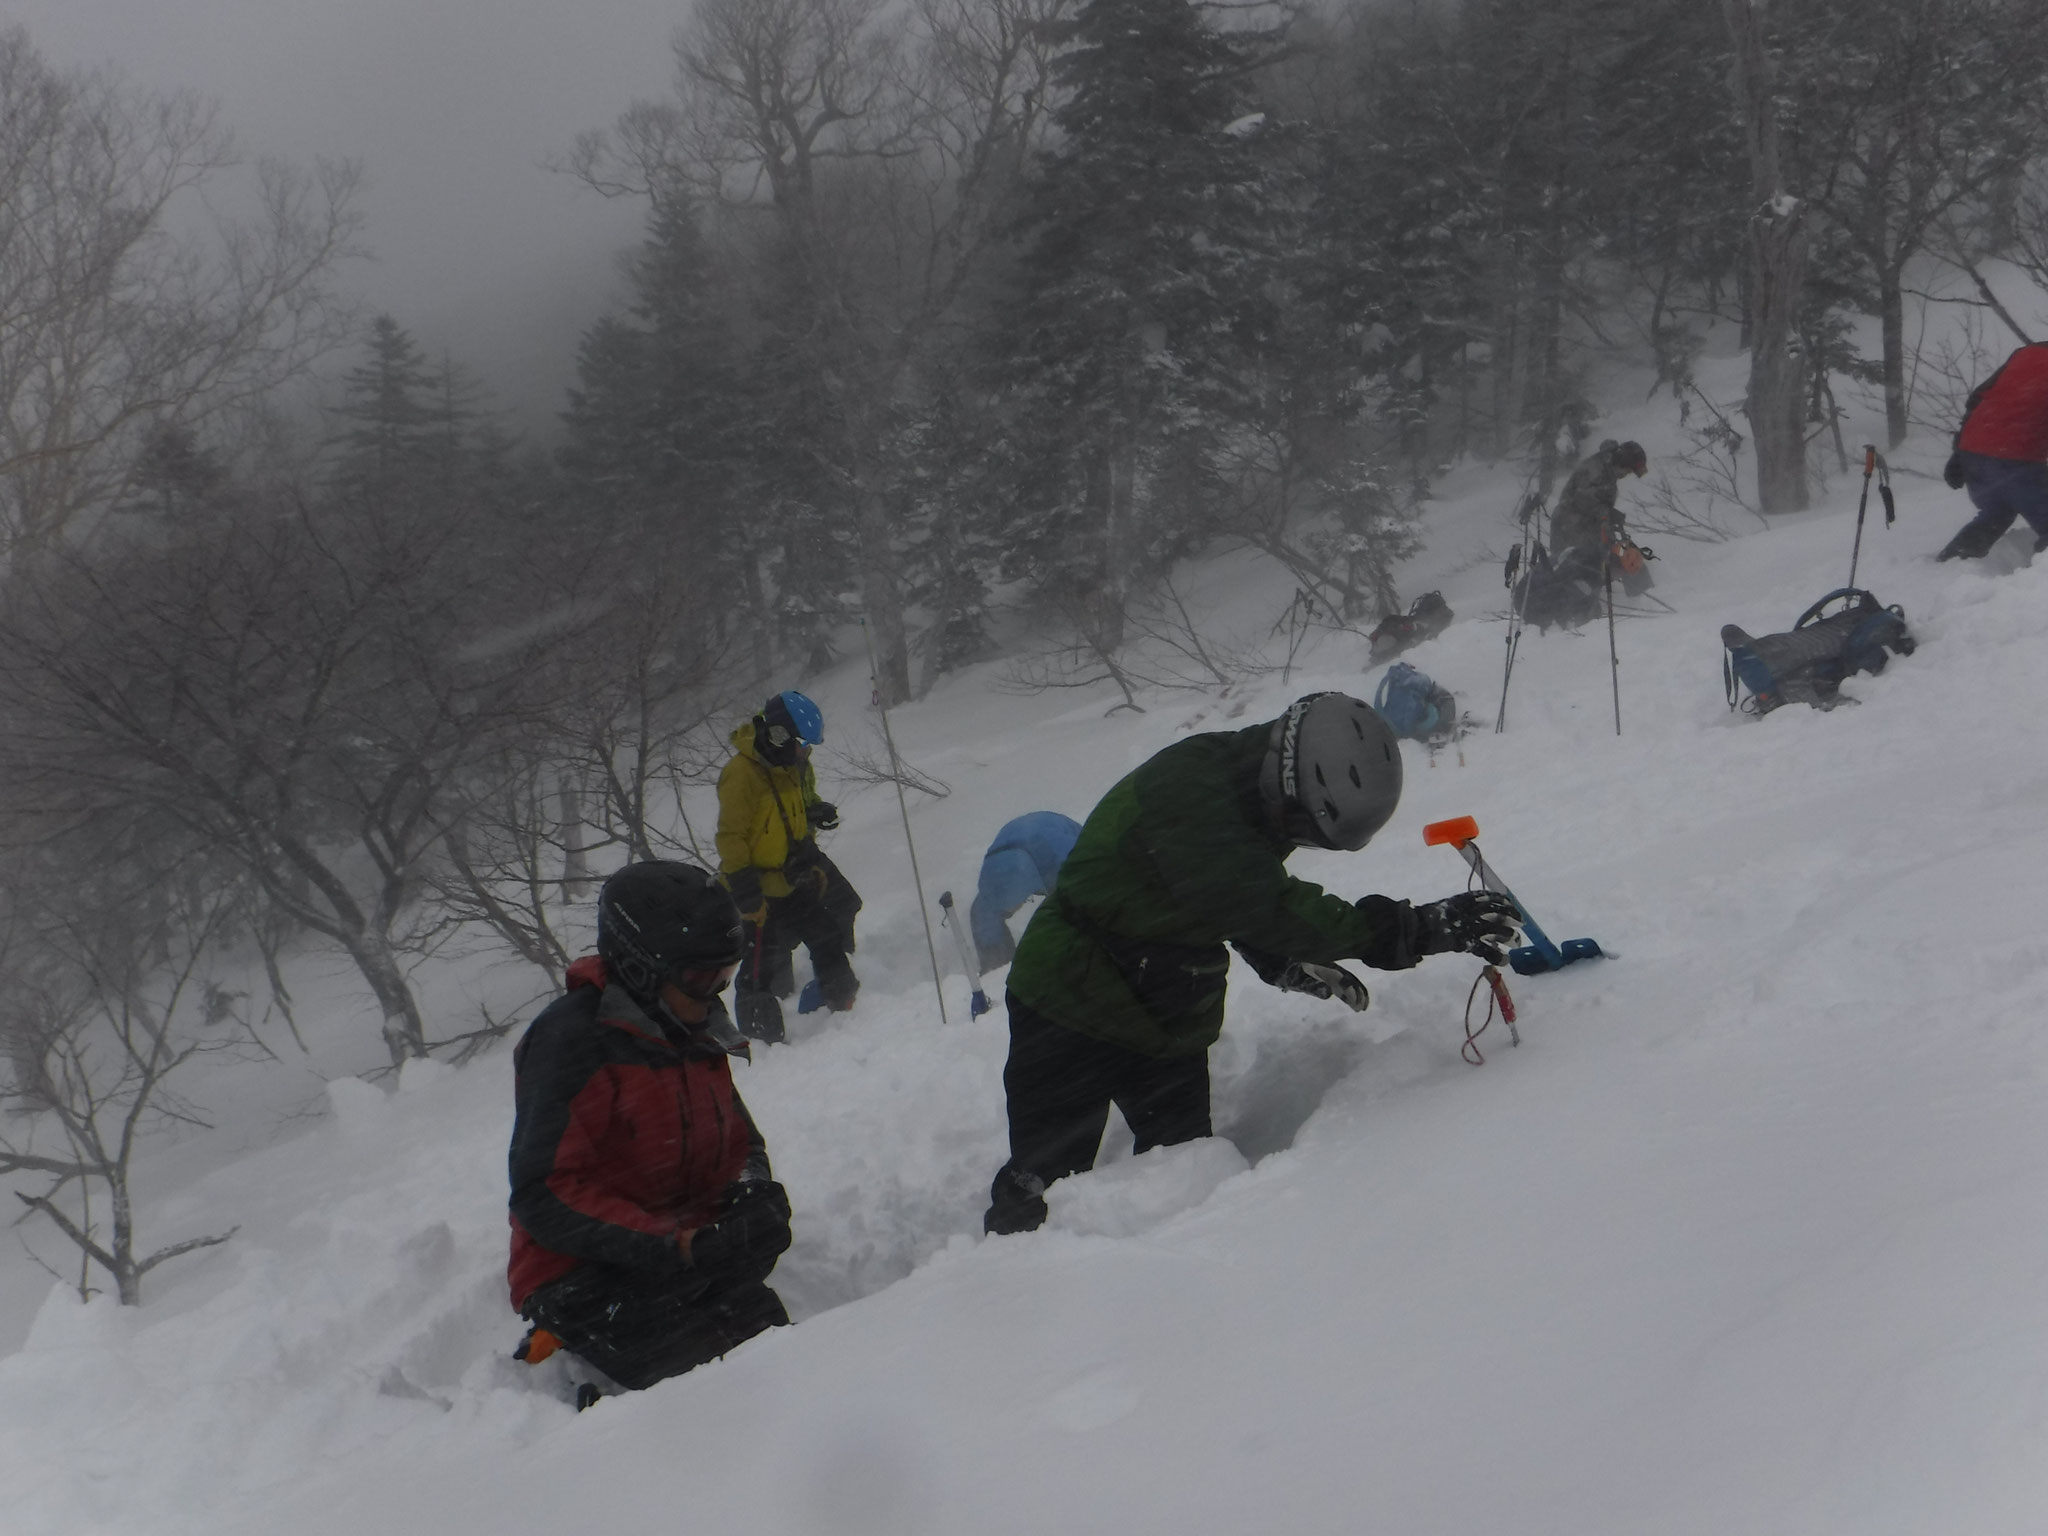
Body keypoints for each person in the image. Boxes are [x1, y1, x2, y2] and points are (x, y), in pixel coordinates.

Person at [982, 692, 1521, 1236]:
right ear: (1288, 781)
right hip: (1069, 999)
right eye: (1302, 827)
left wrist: (1274, 955)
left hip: (1165, 1004)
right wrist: (1411, 929)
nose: (1297, 840)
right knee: (1045, 1181)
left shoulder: (1251, 786)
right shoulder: (1190, 794)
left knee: (1181, 1174)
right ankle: (1002, 1293)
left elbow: (1210, 888)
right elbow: (1258, 897)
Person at [507, 861, 792, 1397]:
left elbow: (739, 1139)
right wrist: (675, 1244)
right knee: (707, 1383)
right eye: (700, 978)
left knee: (774, 1343)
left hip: (680, 1244)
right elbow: (543, 1194)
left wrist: (754, 1194)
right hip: (584, 1268)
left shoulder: (692, 1025)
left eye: (724, 977)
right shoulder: (572, 1043)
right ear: (640, 966)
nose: (714, 994)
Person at [716, 690, 862, 1043]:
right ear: (779, 735)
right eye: (801, 744)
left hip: (793, 879)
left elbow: (788, 818)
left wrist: (813, 821)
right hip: (758, 890)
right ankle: (762, 1042)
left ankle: (846, 1007)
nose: (804, 753)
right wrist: (743, 886)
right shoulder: (742, 773)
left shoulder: (787, 767)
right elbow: (731, 835)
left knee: (826, 934)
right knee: (758, 966)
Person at [1519, 439, 1649, 627]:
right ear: (1623, 462)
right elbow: (1581, 499)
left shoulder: (1607, 469)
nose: (1625, 475)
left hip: (1587, 525)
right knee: (1572, 568)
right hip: (1569, 525)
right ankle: (1568, 614)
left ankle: (1629, 598)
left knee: (1598, 561)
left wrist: (1608, 519)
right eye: (1627, 470)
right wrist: (1606, 513)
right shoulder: (1596, 469)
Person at [1937, 341, 2048, 561]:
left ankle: (1949, 566)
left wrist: (1959, 452)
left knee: (1997, 513)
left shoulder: (2026, 353)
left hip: (1973, 451)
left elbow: (1978, 398)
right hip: (2016, 459)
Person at [969, 812, 1084, 973]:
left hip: (1055, 835)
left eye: (1010, 908)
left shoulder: (1062, 856)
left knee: (1071, 901)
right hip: (1014, 847)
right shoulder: (992, 883)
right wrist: (995, 966)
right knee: (985, 915)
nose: (1012, 911)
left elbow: (1092, 876)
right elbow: (983, 916)